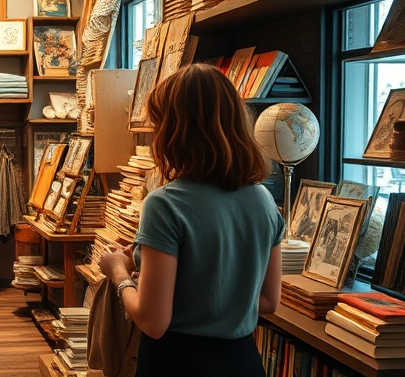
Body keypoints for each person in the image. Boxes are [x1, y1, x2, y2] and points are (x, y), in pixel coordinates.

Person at [99, 63, 284, 377]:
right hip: (242, 362)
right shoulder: (263, 199)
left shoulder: (165, 204)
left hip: (178, 363)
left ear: (176, 130)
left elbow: (153, 322)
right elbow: (268, 301)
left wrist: (119, 273)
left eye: (159, 124)